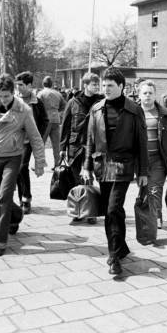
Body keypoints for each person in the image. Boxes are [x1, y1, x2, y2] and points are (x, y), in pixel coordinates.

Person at [82, 67, 148, 275]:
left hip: (123, 166)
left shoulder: (134, 110)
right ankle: (121, 247)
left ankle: (113, 257)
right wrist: (86, 166)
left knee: (112, 209)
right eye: (104, 85)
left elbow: (142, 143)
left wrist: (143, 172)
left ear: (121, 86)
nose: (105, 89)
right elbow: (90, 141)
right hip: (102, 165)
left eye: (110, 85)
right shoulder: (96, 109)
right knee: (114, 211)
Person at [0, 74, 46, 257]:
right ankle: (15, 215)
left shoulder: (23, 109)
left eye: (6, 96)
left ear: (13, 92)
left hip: (12, 158)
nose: (3, 99)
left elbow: (36, 137)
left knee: (4, 196)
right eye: (0, 95)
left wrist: (39, 162)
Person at [59, 72, 104, 224]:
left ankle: (90, 211)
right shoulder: (73, 102)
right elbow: (65, 125)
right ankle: (76, 210)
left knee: (89, 177)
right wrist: (62, 148)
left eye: (98, 84)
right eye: (94, 84)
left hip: (93, 145)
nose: (97, 87)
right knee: (75, 178)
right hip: (75, 145)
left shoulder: (102, 102)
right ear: (85, 85)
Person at [139, 80, 167, 230]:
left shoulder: (165, 115)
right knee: (145, 190)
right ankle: (148, 215)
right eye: (144, 93)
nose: (147, 96)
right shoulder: (133, 114)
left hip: (159, 159)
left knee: (155, 189)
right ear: (139, 95)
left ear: (155, 94)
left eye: (150, 93)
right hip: (140, 162)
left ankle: (157, 216)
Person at [15, 71, 49, 213]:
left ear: (29, 85)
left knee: (22, 167)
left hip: (28, 141)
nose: (18, 88)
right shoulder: (14, 100)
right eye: (17, 85)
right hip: (14, 141)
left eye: (21, 85)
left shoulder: (37, 102)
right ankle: (21, 198)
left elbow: (45, 121)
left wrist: (38, 137)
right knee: (16, 169)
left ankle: (26, 198)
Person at [38, 76, 67, 169]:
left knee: (41, 142)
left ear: (43, 84)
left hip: (45, 120)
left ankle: (39, 164)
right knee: (56, 144)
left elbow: (36, 106)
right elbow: (64, 106)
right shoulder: (58, 94)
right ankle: (57, 164)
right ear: (51, 84)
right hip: (56, 119)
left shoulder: (41, 93)